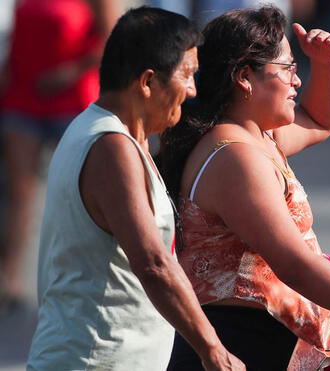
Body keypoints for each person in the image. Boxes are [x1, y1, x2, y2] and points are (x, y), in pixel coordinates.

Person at [160, 6, 330, 370]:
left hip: (259, 343)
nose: (297, 80)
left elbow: (320, 121)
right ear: (245, 77)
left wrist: (326, 64)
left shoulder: (258, 135)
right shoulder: (235, 159)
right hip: (238, 345)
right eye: (288, 68)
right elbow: (295, 265)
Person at [26, 7, 244, 370]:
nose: (192, 90)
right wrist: (214, 351)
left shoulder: (111, 136)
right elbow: (154, 263)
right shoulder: (111, 146)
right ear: (147, 82)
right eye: (187, 75)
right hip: (93, 360)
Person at [0, 0, 120, 309]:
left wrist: (69, 72)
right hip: (23, 98)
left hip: (72, 99)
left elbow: (112, 40)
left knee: (77, 191)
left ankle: (81, 278)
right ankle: (10, 279)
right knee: (19, 194)